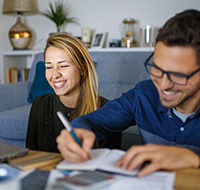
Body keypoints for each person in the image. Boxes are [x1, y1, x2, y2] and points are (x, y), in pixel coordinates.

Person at [56, 9, 200, 176]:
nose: (164, 85)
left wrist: (194, 159)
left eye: (178, 75)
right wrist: (77, 132)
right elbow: (93, 121)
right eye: (157, 68)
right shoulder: (143, 95)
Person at [26, 33, 121, 153]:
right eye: (49, 67)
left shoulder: (107, 110)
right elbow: (30, 156)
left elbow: (108, 163)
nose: (55, 75)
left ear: (83, 68)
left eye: (63, 66)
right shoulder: (40, 104)